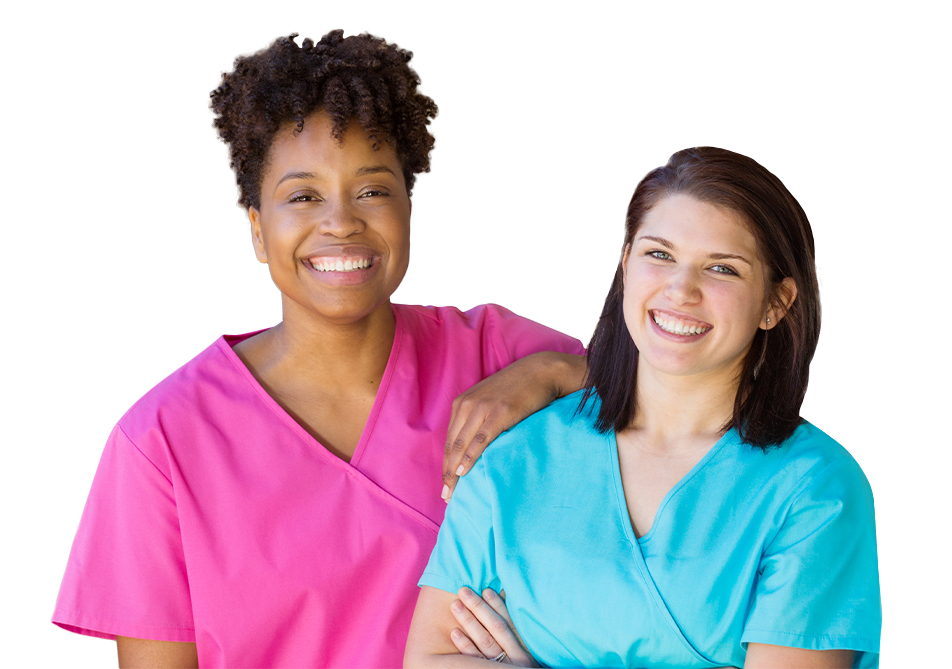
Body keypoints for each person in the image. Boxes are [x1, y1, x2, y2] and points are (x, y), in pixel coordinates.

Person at [50, 31, 587, 669]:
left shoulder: (496, 355)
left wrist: (557, 371)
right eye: (303, 195)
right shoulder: (163, 441)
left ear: (408, 211)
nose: (340, 221)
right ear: (257, 231)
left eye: (373, 190)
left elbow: (709, 399)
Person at [406, 147, 881, 668]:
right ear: (626, 264)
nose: (682, 290)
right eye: (659, 255)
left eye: (722, 268)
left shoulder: (813, 487)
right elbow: (429, 658)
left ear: (775, 303)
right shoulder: (514, 457)